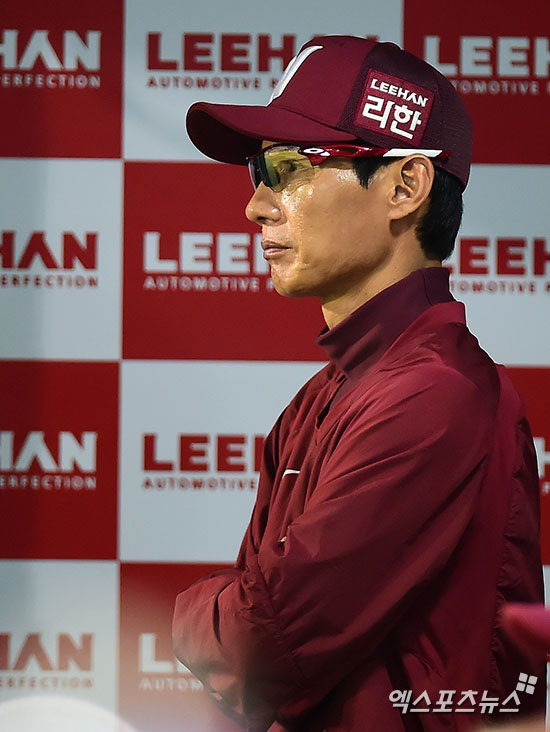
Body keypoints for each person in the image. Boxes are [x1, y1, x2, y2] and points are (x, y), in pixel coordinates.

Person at [172, 36, 545, 731]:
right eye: (257, 170)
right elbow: (255, 657)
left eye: (288, 168)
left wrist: (188, 613)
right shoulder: (323, 396)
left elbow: (258, 650)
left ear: (405, 187)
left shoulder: (436, 393)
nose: (256, 207)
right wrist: (232, 618)